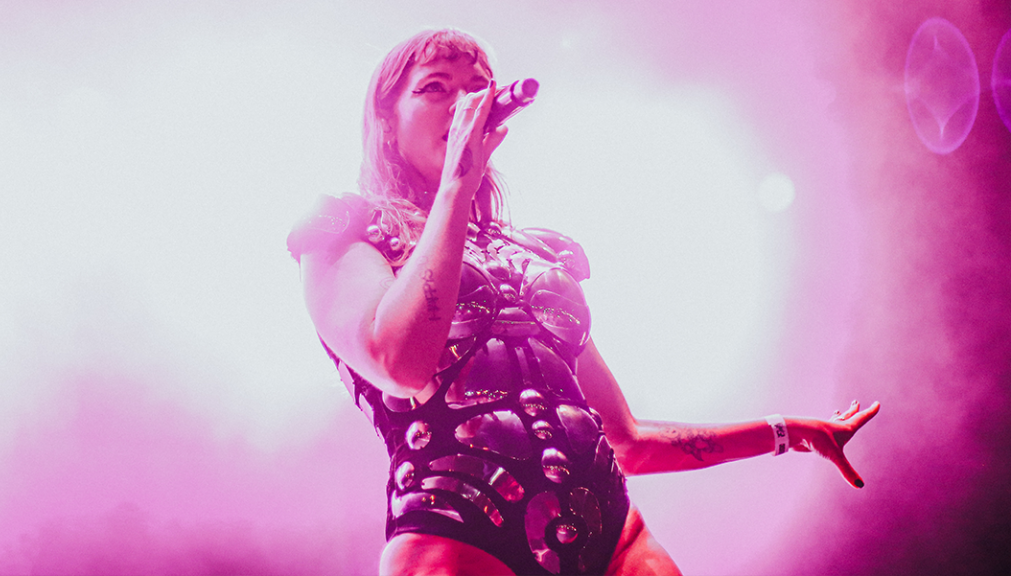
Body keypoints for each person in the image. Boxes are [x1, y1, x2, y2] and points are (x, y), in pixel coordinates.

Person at [287, 28, 880, 576]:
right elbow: (398, 363)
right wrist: (457, 184)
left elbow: (627, 440)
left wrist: (787, 432)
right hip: (459, 534)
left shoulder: (535, 257)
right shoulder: (348, 232)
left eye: (477, 88)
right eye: (435, 88)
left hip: (616, 537)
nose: (464, 103)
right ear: (386, 121)